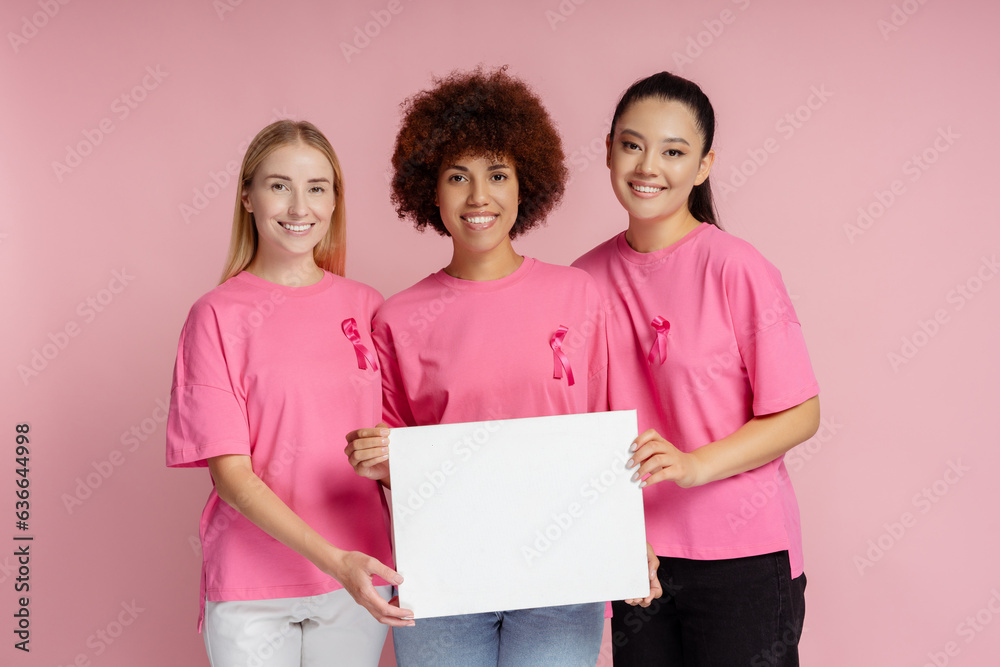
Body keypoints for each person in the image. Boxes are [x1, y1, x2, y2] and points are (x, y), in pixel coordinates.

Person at [345, 67, 659, 666]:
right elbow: (392, 466)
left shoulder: (578, 297)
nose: (478, 197)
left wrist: (628, 540)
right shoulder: (398, 319)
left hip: (564, 572)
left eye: (497, 175)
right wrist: (380, 460)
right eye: (457, 177)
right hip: (442, 576)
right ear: (430, 192)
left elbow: (609, 434)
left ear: (524, 186)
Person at [572, 72, 821, 666]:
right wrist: (614, 538)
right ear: (608, 150)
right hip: (639, 558)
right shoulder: (581, 281)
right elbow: (579, 429)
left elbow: (799, 413)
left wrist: (691, 465)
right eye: (632, 145)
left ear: (703, 165)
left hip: (745, 557)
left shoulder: (737, 268)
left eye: (673, 151)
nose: (647, 165)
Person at [166, 119, 413, 667]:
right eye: (279, 185)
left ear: (334, 202)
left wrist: (391, 461)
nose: (300, 206)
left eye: (316, 188)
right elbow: (231, 478)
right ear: (248, 198)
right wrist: (334, 560)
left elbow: (402, 450)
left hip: (360, 577)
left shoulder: (367, 306)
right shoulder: (215, 316)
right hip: (255, 587)